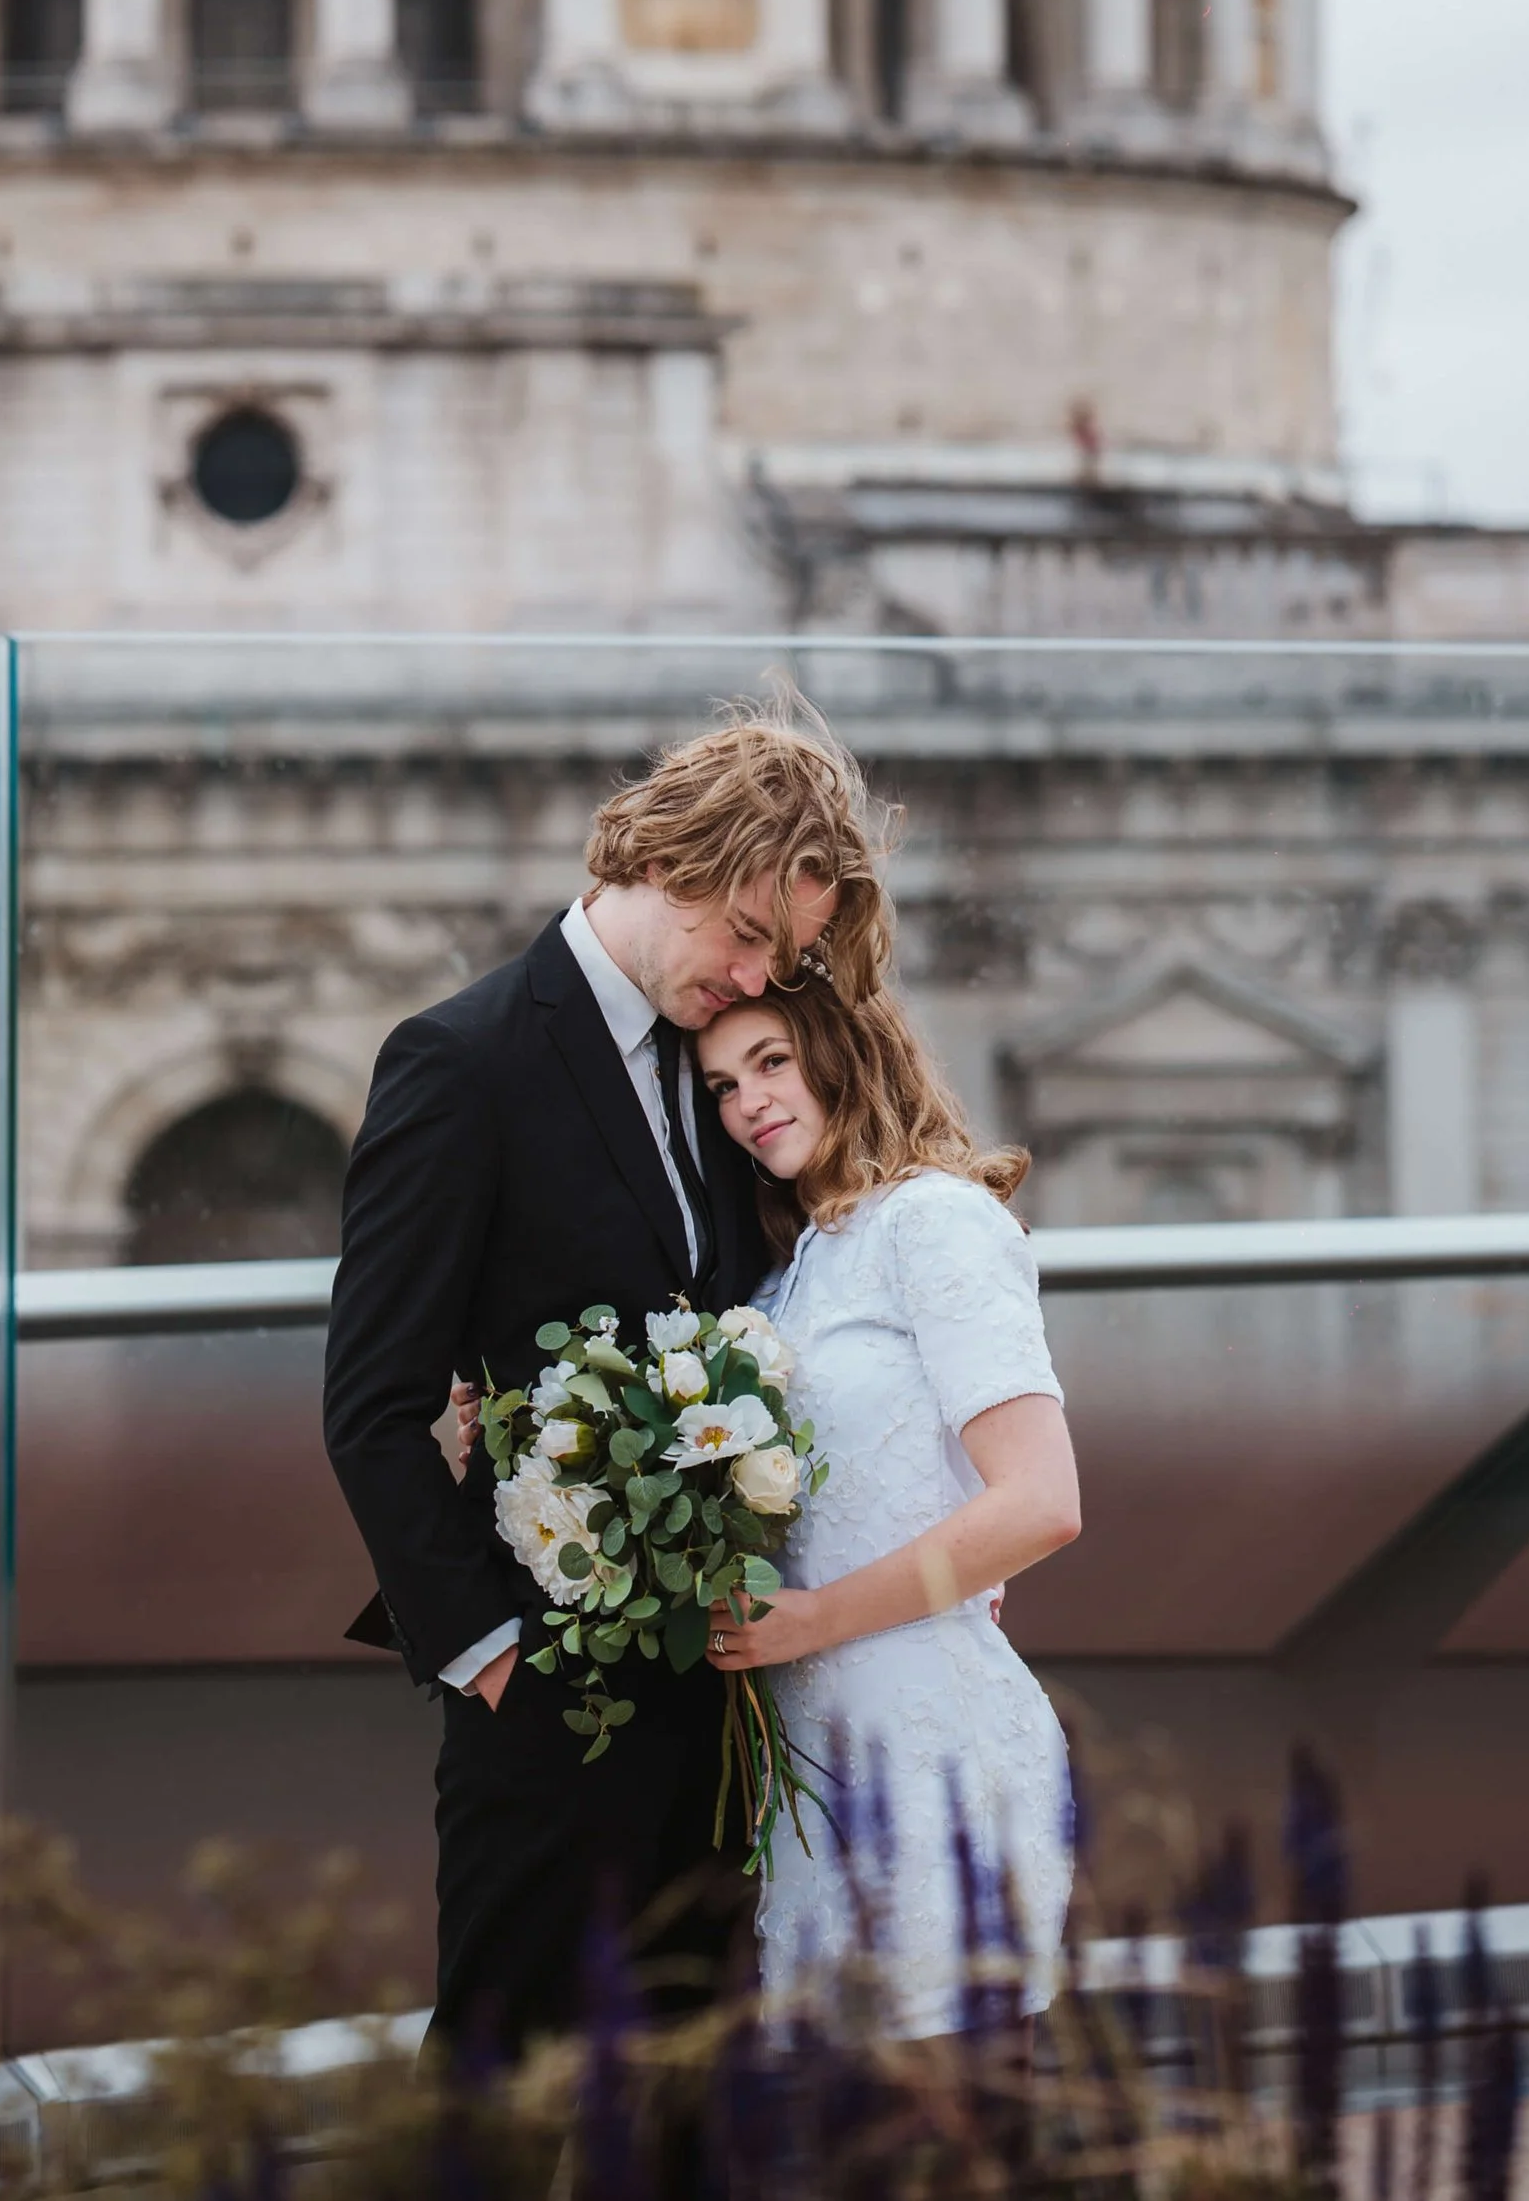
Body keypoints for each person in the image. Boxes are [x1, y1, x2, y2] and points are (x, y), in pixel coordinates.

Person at [322, 701, 892, 2063]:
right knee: (500, 2098)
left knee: (702, 2102)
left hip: (724, 1698)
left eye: (786, 952)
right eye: (749, 931)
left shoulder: (718, 1066)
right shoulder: (460, 1061)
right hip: (545, 1698)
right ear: (665, 860)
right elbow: (373, 1402)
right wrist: (489, 1655)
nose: (758, 973)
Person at [695, 967, 1080, 2035]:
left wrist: (814, 1618)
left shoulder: (938, 1225)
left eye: (770, 1062)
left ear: (844, 1052)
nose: (748, 1102)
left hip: (929, 1751)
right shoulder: (792, 1271)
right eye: (722, 1085)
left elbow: (1041, 1502)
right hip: (805, 1769)